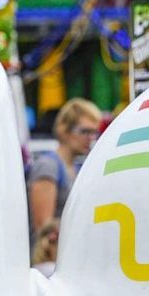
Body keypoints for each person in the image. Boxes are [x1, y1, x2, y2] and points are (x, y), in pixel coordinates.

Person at [28, 98, 100, 239]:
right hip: (50, 257)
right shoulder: (48, 166)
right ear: (64, 130)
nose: (91, 138)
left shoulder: (79, 169)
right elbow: (43, 228)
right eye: (85, 131)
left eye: (94, 132)